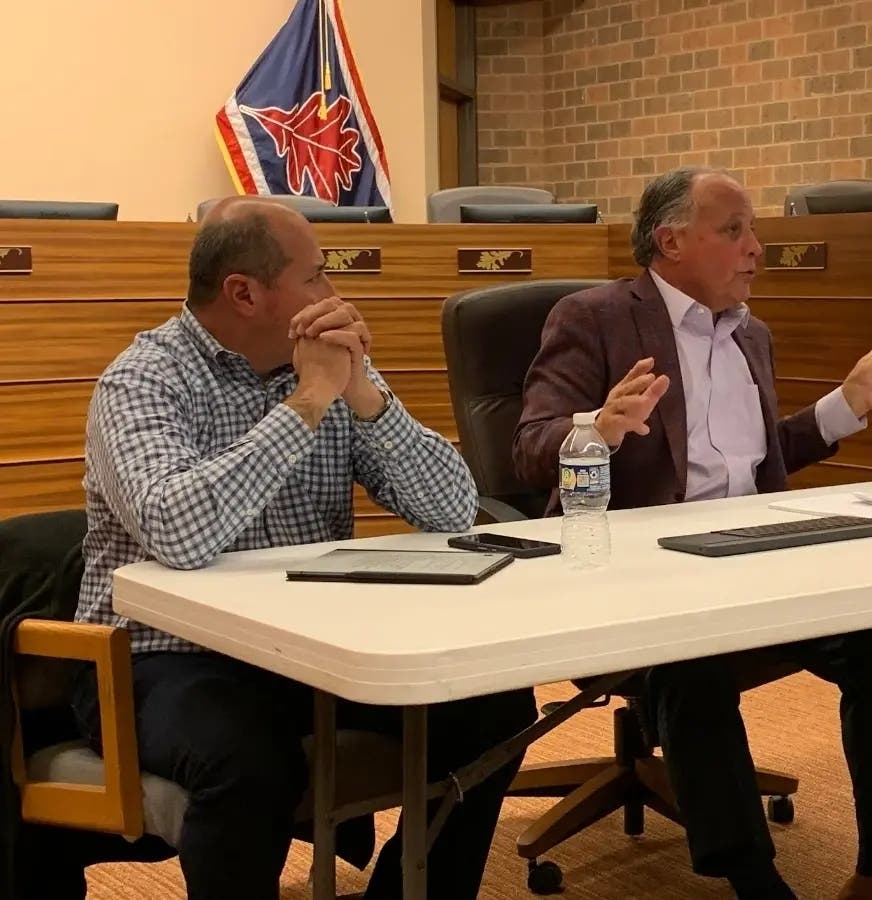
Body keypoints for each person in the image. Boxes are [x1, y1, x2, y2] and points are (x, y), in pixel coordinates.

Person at [72, 197, 536, 900]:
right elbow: (177, 532)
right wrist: (307, 405)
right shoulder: (142, 380)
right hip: (160, 657)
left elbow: (449, 507)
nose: (334, 296)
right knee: (247, 760)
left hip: (305, 646)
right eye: (316, 276)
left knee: (494, 707)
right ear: (245, 293)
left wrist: (362, 397)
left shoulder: (326, 366)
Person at [514, 167, 872, 900]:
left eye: (753, 231)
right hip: (638, 571)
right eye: (735, 231)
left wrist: (848, 404)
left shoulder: (752, 333)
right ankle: (754, 880)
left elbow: (759, 460)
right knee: (690, 666)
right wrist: (598, 428)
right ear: (671, 241)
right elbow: (528, 448)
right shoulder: (594, 317)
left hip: (753, 556)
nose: (756, 247)